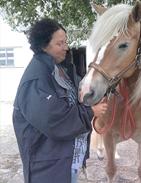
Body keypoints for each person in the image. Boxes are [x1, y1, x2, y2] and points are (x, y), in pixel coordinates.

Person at [13, 18, 108, 183]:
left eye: (66, 42)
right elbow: (54, 120)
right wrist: (90, 112)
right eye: (60, 43)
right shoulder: (36, 79)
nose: (66, 47)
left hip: (63, 161)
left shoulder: (59, 70)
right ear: (44, 45)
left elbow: (75, 97)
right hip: (47, 168)